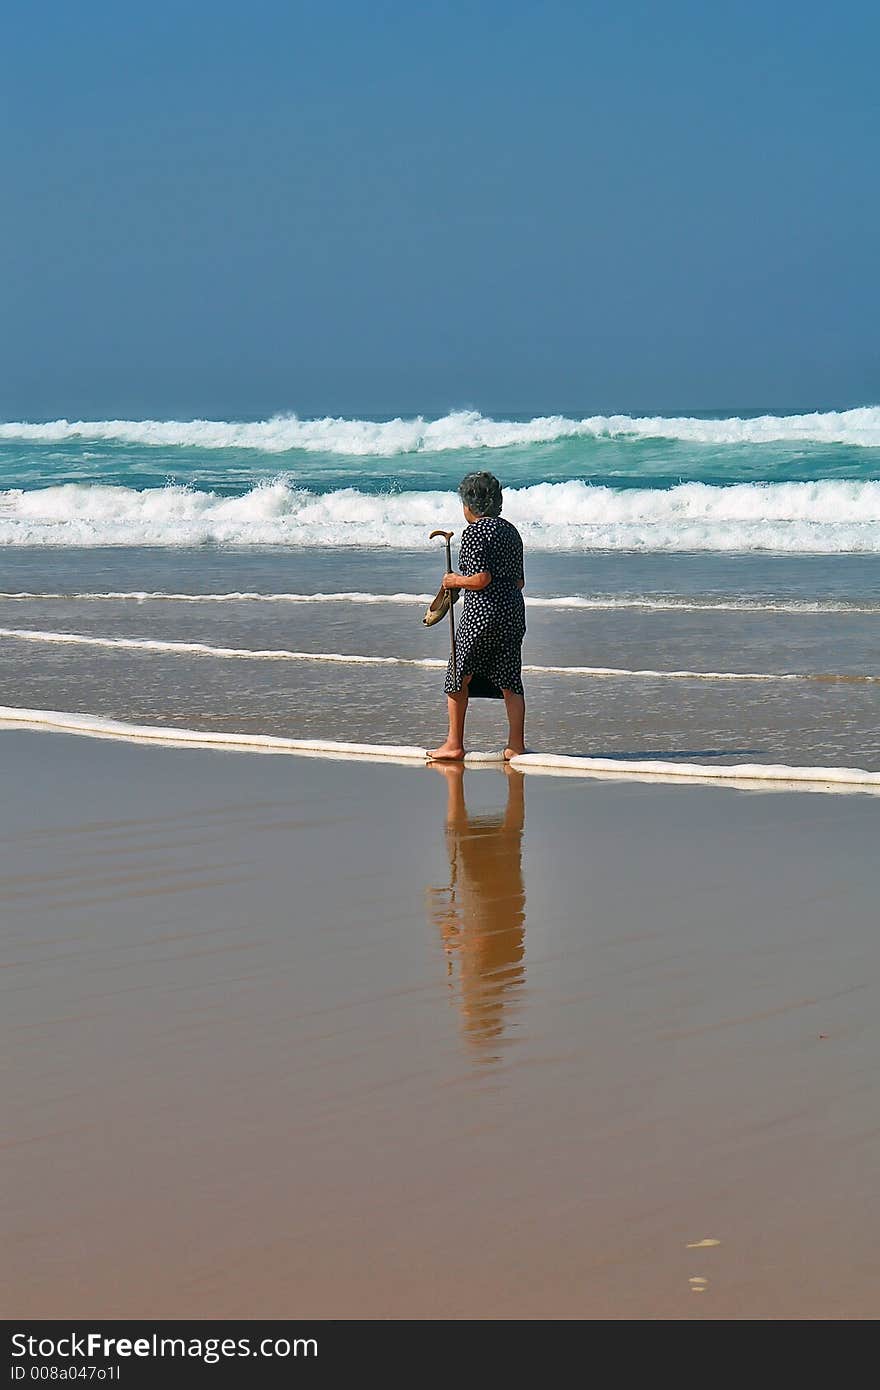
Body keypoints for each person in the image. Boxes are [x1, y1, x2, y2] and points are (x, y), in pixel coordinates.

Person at [428, 471, 527, 761]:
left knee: (458, 675)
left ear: (469, 505)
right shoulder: (510, 531)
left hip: (482, 613)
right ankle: (515, 746)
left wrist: (453, 581)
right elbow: (519, 582)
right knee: (510, 679)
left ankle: (453, 744)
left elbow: (481, 578)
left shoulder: (474, 532)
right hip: (512, 610)